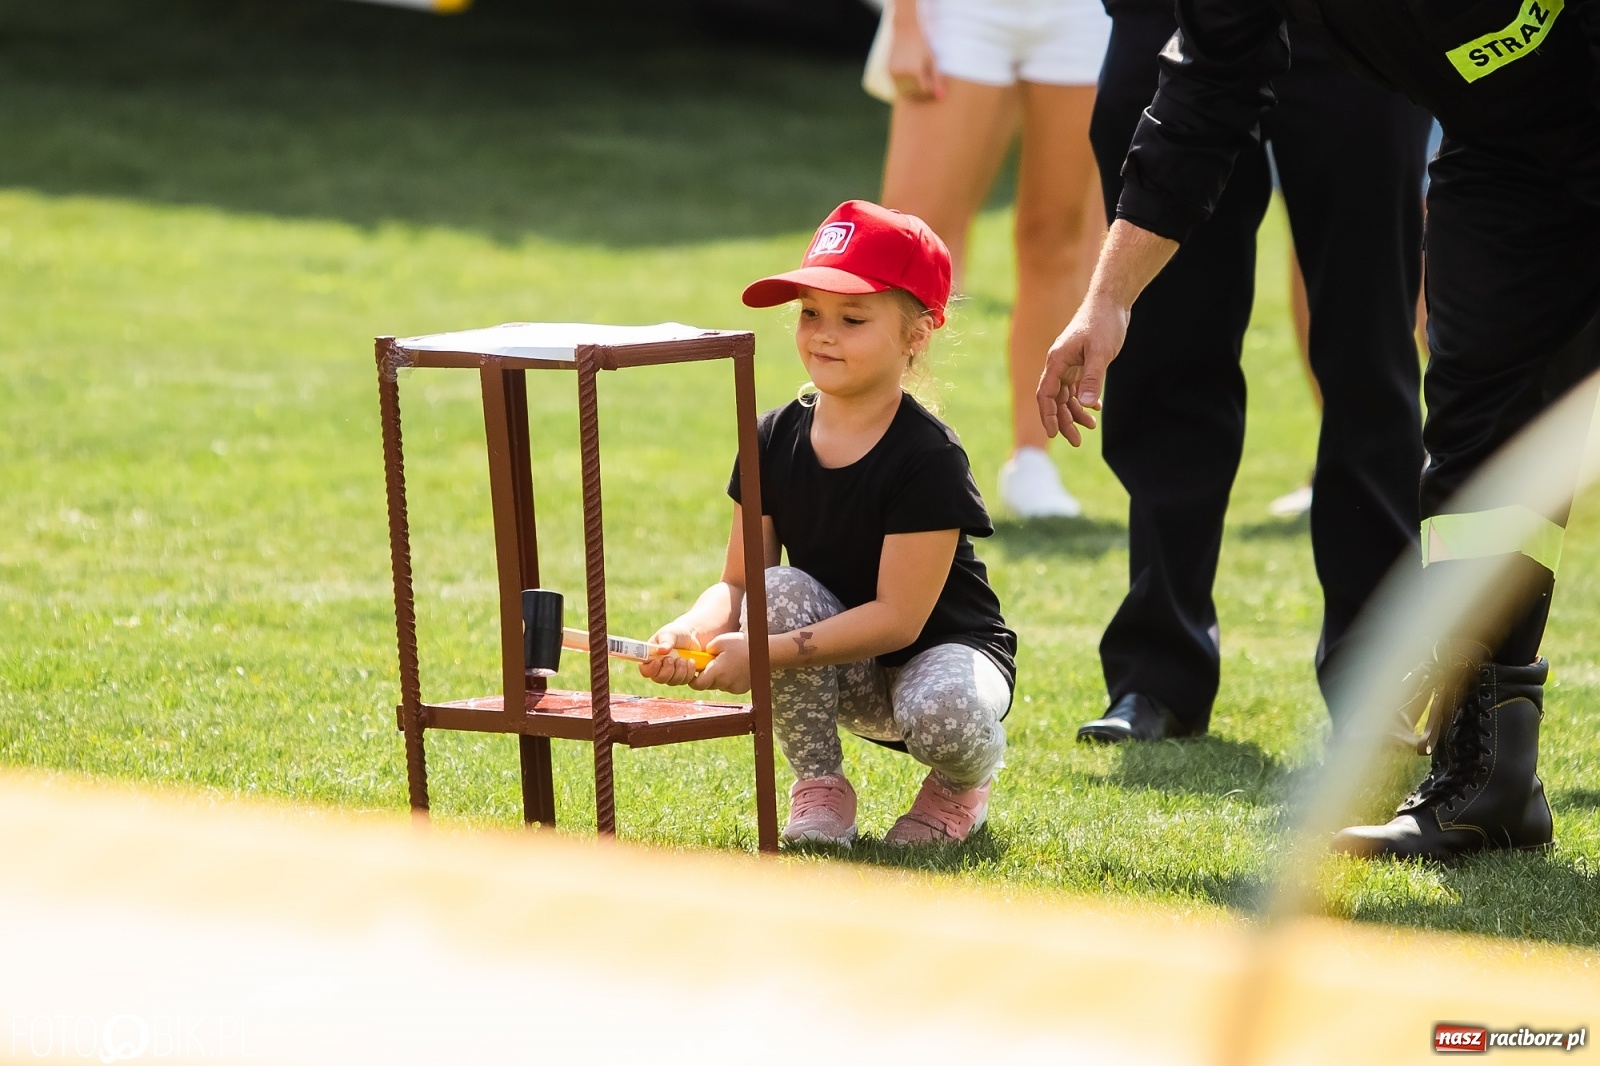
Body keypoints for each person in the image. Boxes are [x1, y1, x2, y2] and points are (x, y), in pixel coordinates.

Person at [1038, 0, 1600, 860]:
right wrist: (1110, 298)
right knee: (1480, 451)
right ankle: (1487, 782)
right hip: (1502, 158)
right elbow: (1207, 87)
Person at [1070, 4, 1432, 745]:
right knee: (1165, 340)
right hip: (1171, 16)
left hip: (1355, 29)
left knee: (1368, 347)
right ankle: (1156, 672)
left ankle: (1377, 674)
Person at [641, 199, 1018, 849]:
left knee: (944, 711)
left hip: (945, 664)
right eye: (810, 313)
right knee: (776, 590)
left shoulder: (929, 456)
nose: (823, 334)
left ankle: (959, 788)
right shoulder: (769, 438)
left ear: (918, 333)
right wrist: (691, 629)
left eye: (853, 317)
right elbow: (740, 584)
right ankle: (820, 787)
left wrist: (763, 652)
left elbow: (898, 620)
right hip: (848, 670)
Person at [865, 0, 1111, 518]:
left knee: (1057, 237)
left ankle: (1033, 459)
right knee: (903, 244)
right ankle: (874, 450)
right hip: (961, 13)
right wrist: (906, 22)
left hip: (1083, 17)